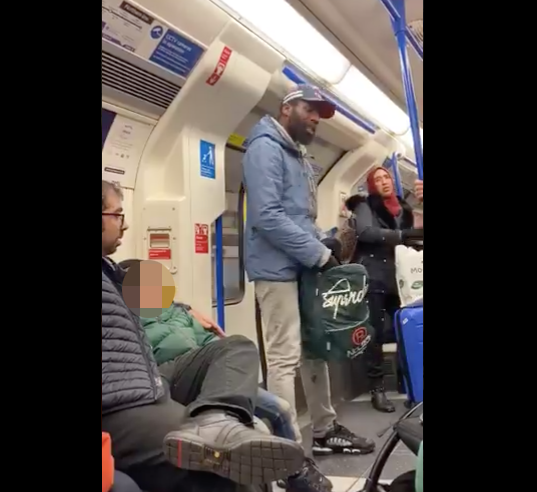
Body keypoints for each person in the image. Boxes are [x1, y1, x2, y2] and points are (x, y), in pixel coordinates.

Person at [101, 180, 305, 492]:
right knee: (225, 466)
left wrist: (183, 308)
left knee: (236, 347)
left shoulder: (111, 272)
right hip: (119, 404)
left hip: (150, 381)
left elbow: (151, 299)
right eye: (118, 215)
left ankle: (216, 418)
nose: (125, 225)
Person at [116, 261, 332, 492]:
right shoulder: (129, 321)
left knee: (282, 409)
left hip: (213, 373)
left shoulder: (177, 311)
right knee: (257, 428)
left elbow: (210, 340)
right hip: (181, 382)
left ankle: (297, 471)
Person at [242, 84, 376, 456]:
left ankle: (324, 428)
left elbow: (299, 218)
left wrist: (326, 238)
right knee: (284, 356)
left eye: (320, 112)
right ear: (287, 108)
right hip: (275, 270)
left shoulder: (297, 155)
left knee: (314, 349)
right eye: (309, 109)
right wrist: (318, 253)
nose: (316, 118)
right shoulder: (265, 148)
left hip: (300, 265)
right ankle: (289, 450)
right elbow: (267, 217)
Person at [345, 167, 423, 413]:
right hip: (375, 276)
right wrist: (402, 235)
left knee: (404, 330)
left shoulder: (404, 209)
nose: (383, 181)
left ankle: (407, 380)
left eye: (386, 177)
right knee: (375, 334)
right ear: (372, 185)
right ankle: (377, 389)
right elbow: (366, 232)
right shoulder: (365, 207)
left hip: (400, 278)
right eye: (377, 179)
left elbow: (410, 239)